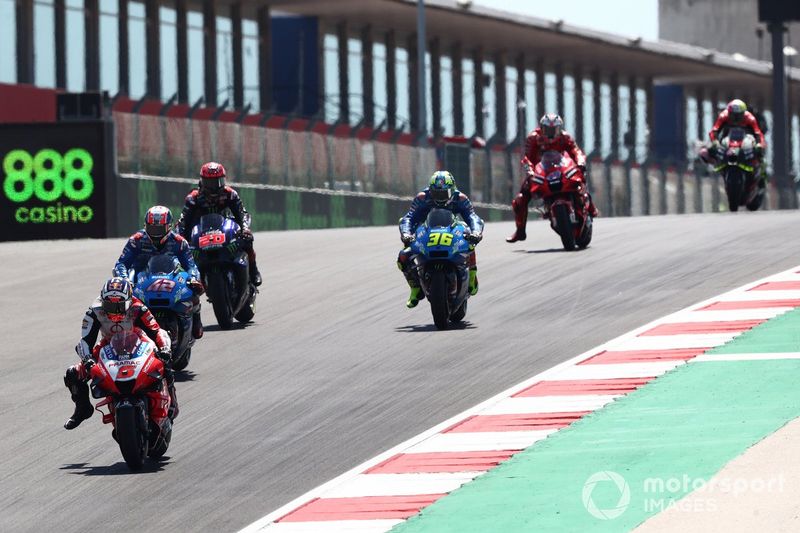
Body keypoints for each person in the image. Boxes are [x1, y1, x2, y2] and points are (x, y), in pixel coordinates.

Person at [63, 277, 175, 430]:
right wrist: (87, 359)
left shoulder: (138, 308)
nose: (114, 311)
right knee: (73, 373)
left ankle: (172, 401)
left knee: (163, 362)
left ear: (129, 301)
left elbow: (156, 332)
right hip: (108, 345)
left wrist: (165, 349)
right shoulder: (94, 312)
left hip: (139, 343)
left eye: (120, 305)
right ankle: (83, 408)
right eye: (109, 305)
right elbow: (85, 341)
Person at [114, 205, 205, 340]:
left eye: (159, 229)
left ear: (169, 227)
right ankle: (123, 333)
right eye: (152, 228)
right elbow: (121, 263)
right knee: (121, 298)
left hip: (171, 275)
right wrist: (125, 279)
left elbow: (191, 265)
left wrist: (192, 278)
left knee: (193, 287)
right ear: (146, 226)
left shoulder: (179, 242)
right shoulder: (136, 240)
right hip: (142, 276)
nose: (155, 233)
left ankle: (196, 318)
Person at [397, 171, 484, 308]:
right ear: (431, 191)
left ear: (452, 190)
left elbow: (473, 218)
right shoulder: (422, 198)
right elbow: (408, 218)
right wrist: (406, 234)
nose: (440, 197)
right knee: (403, 256)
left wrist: (476, 232)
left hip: (451, 230)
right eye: (436, 194)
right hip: (426, 231)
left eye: (444, 194)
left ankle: (472, 275)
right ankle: (415, 288)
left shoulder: (460, 198)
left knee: (468, 237)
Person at [507, 113, 598, 243]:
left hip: (562, 169)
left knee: (580, 178)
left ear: (559, 128)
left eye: (553, 129)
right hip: (542, 172)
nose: (550, 133)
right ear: (541, 128)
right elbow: (527, 158)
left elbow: (576, 151)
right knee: (521, 198)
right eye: (547, 129)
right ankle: (520, 231)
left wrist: (581, 162)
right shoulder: (534, 138)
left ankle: (590, 207)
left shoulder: (565, 137)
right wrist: (530, 171)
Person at [176, 162, 262, 286]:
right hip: (201, 232)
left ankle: (253, 270)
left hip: (225, 228)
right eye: (210, 183)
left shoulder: (230, 194)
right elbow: (183, 221)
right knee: (183, 253)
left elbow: (241, 213)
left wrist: (245, 229)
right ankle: (190, 287)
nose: (214, 187)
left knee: (247, 240)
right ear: (202, 181)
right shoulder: (193, 198)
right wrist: (182, 239)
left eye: (218, 182)